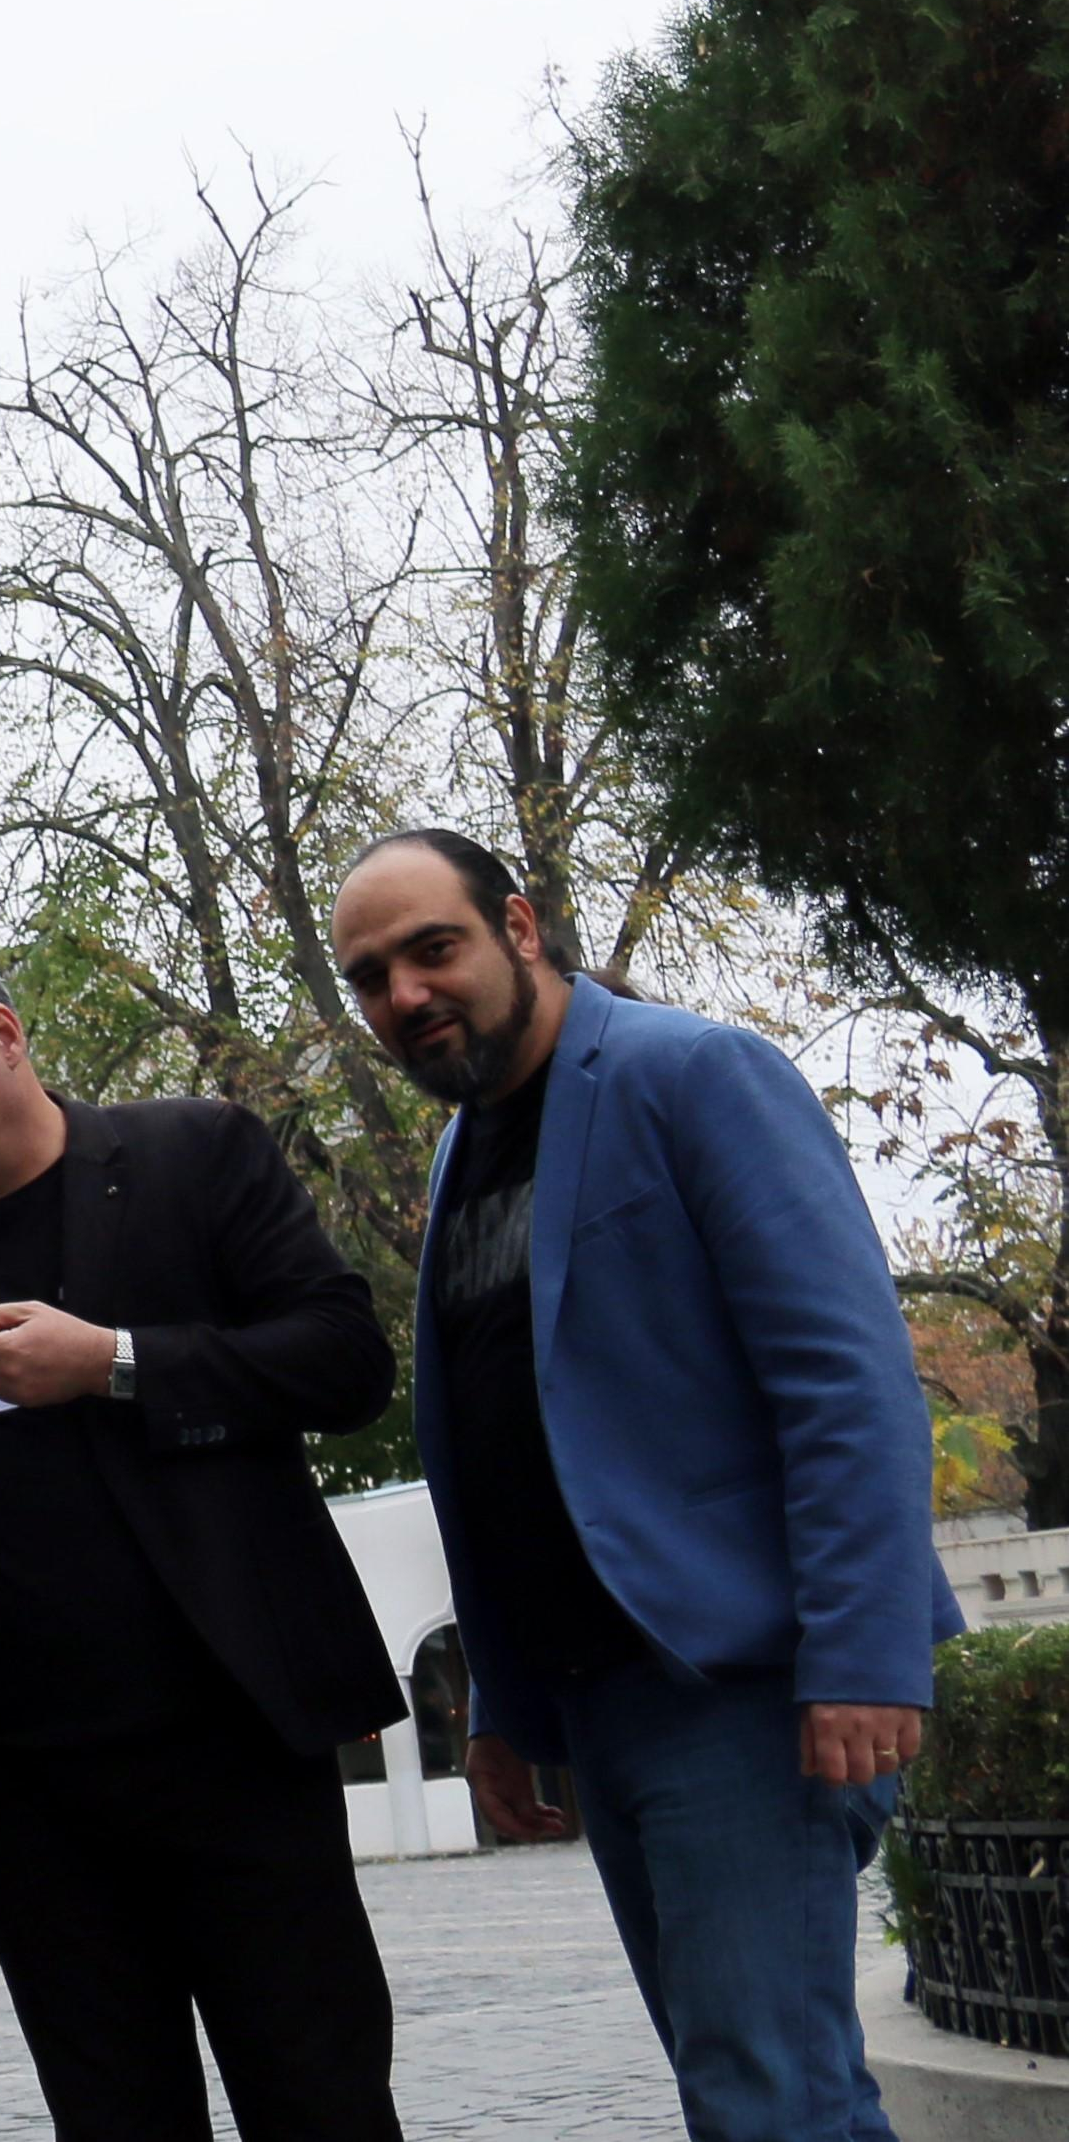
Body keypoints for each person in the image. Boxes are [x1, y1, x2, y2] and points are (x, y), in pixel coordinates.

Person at [342, 828, 956, 2142]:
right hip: (599, 1699)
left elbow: (846, 1382)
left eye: (431, 948)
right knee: (767, 2085)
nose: (404, 993)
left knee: (765, 2094)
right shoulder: (468, 1157)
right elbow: (501, 1450)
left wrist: (862, 1651)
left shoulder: (694, 1074)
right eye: (371, 975)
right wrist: (500, 1700)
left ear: (518, 927)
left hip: (742, 1687)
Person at [0, 938, 408, 2142]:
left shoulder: (192, 1157)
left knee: (319, 2100)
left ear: (3, 1033)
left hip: (234, 1748)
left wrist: (113, 1361)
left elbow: (345, 1361)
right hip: (25, 1794)